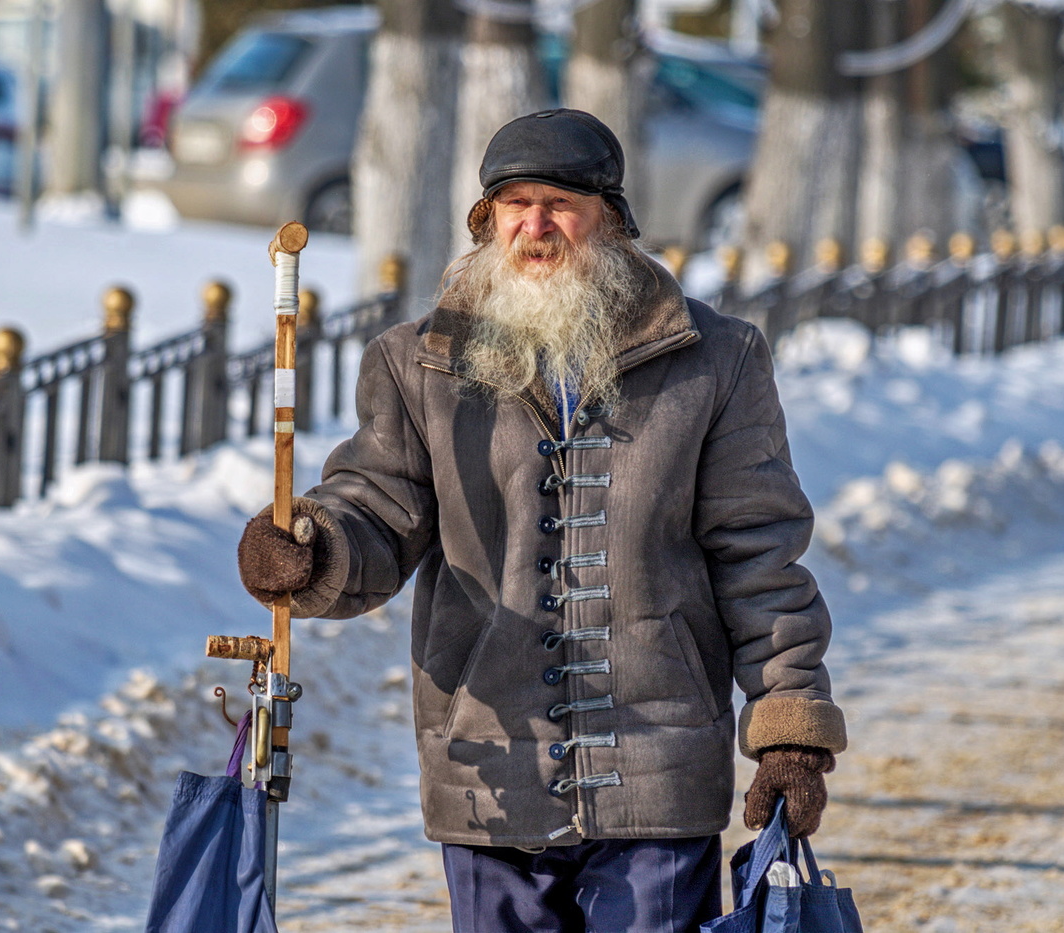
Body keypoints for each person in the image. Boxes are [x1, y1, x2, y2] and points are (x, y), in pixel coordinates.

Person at [238, 108, 847, 932]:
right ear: (485, 223)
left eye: (560, 202)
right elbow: (377, 512)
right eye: (513, 204)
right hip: (489, 769)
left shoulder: (716, 358)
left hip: (657, 768)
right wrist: (314, 550)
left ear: (614, 222)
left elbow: (760, 555)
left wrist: (789, 728)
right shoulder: (420, 363)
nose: (535, 225)